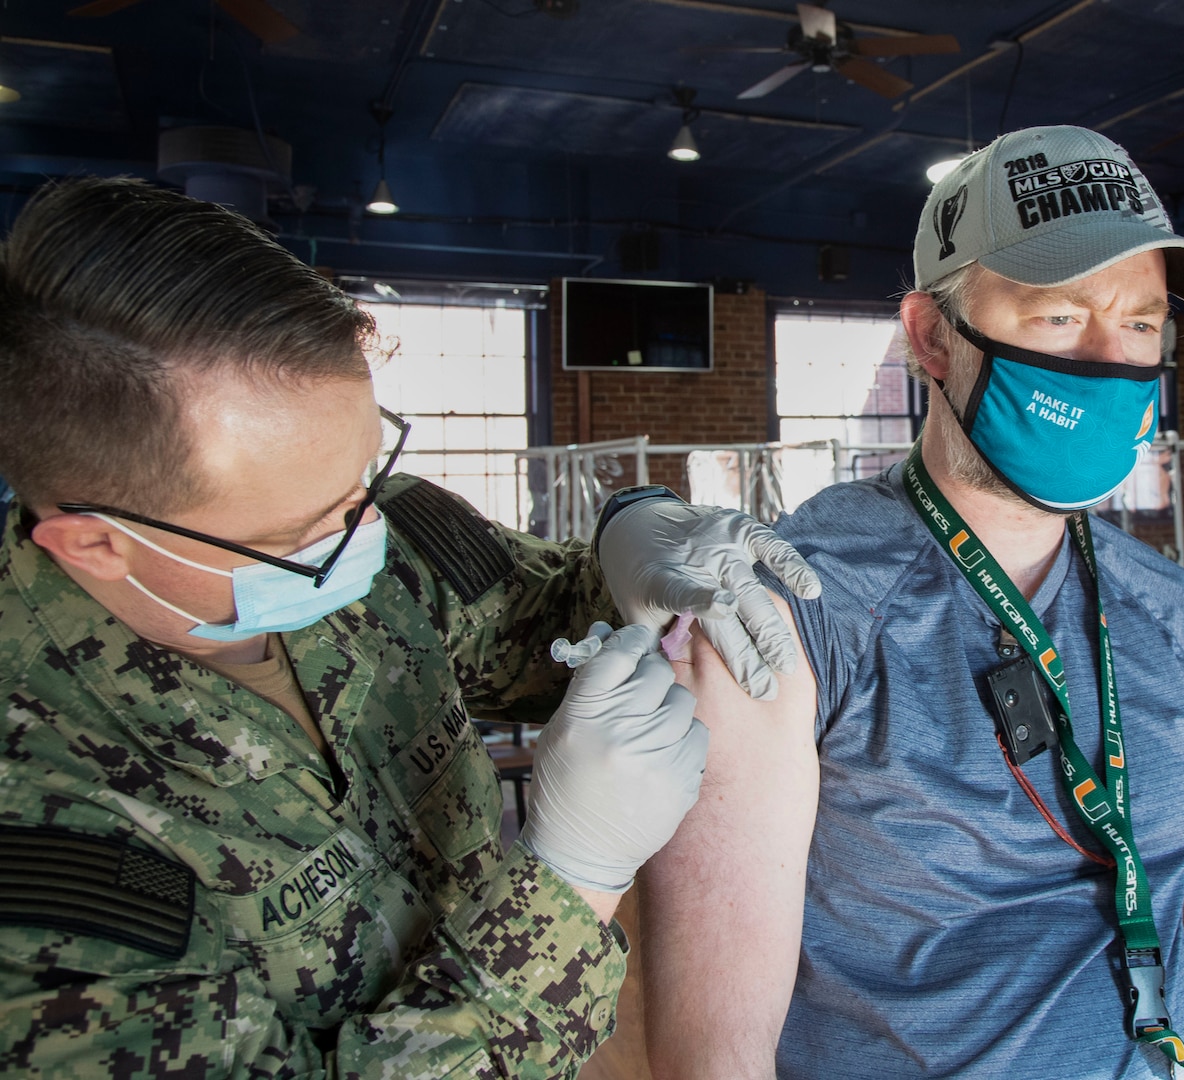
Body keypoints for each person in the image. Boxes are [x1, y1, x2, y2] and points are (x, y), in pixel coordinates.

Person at [0, 176, 820, 1077]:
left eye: (365, 472)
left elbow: (542, 619)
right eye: (300, 531)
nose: (367, 531)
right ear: (94, 544)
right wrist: (570, 877)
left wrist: (635, 535)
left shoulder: (382, 539)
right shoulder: (41, 819)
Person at [640, 126, 1184, 1079]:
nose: (1111, 358)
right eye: (1058, 316)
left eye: (1141, 323)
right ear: (931, 336)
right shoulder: (796, 610)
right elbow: (715, 1055)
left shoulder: (1178, 616)